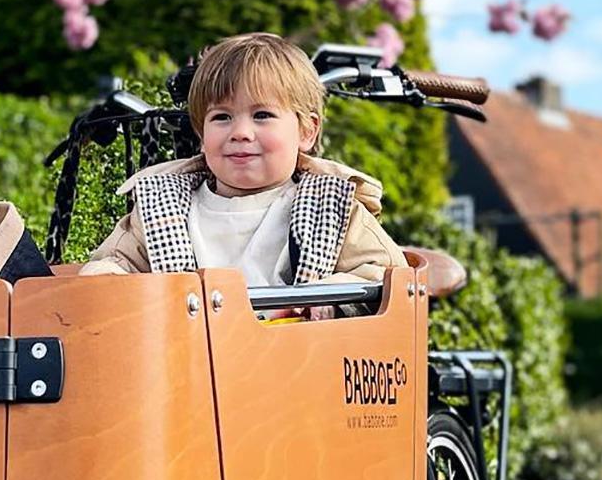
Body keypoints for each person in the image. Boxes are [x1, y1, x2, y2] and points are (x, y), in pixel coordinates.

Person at [79, 32, 408, 320]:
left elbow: (385, 274)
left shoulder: (332, 207)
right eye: (222, 117)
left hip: (298, 367)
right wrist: (106, 282)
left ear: (307, 131)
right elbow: (117, 261)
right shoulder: (165, 207)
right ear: (200, 134)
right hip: (188, 369)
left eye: (262, 115)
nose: (240, 132)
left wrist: (328, 299)